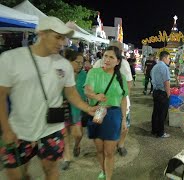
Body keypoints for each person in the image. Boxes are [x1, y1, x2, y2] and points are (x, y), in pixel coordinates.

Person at [0, 16, 97, 180]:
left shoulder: (64, 64)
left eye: (64, 38)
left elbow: (71, 93)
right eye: (57, 36)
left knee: (51, 171)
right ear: (42, 33)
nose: (63, 42)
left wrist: (88, 108)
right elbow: (1, 96)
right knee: (16, 175)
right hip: (19, 131)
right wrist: (6, 129)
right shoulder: (11, 59)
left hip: (51, 130)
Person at [84, 46, 128, 180]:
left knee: (109, 151)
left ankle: (108, 177)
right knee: (99, 149)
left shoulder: (121, 78)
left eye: (111, 57)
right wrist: (95, 96)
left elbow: (123, 99)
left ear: (118, 61)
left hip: (113, 115)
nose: (107, 60)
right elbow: (87, 90)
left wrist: (124, 119)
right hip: (96, 112)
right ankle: (103, 171)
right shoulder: (93, 72)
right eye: (105, 56)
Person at [92, 41, 133, 157]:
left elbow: (129, 83)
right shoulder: (98, 63)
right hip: (101, 103)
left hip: (120, 102)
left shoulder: (123, 64)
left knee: (124, 125)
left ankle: (121, 145)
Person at [61, 49, 87, 170]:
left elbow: (85, 90)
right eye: (78, 62)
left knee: (78, 134)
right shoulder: (62, 73)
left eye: (82, 62)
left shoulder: (84, 74)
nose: (80, 65)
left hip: (77, 108)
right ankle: (67, 158)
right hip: (63, 106)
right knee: (65, 133)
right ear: (68, 61)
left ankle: (77, 145)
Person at [151, 51, 171, 138]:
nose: (169, 60)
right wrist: (168, 94)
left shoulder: (155, 66)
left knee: (156, 112)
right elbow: (166, 82)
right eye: (169, 58)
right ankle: (161, 132)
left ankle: (154, 130)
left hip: (155, 92)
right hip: (162, 93)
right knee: (162, 114)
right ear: (164, 58)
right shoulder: (164, 67)